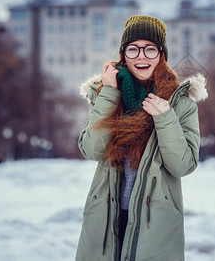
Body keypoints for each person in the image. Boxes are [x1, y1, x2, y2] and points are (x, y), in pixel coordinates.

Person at [76, 15, 207, 261]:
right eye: (133, 49)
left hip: (155, 224)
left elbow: (183, 165)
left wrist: (165, 117)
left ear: (161, 54)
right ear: (123, 53)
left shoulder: (181, 102)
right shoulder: (105, 93)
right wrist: (109, 95)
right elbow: (92, 149)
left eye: (150, 49)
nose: (141, 56)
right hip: (106, 219)